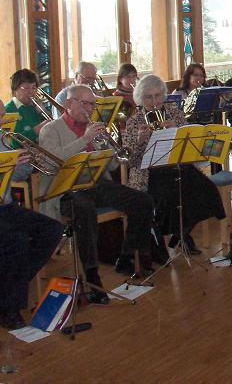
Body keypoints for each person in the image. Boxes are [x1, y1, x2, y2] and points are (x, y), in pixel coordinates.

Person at [39, 84, 154, 303]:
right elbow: (51, 162)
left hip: (96, 184)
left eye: (92, 105)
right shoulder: (51, 130)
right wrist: (84, 140)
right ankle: (92, 276)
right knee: (85, 210)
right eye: (85, 104)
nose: (89, 109)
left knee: (143, 200)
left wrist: (111, 148)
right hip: (65, 190)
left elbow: (113, 166)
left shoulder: (94, 128)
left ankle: (126, 256)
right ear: (68, 104)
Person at [124, 75, 226, 254]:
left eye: (158, 95)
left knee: (206, 190)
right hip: (149, 172)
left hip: (177, 166)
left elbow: (188, 142)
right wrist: (139, 141)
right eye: (148, 97)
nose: (154, 101)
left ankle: (181, 234)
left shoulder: (174, 113)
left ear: (163, 95)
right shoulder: (134, 121)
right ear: (140, 99)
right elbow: (130, 160)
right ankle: (176, 238)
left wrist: (176, 131)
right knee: (168, 197)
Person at [0, 99, 63, 330]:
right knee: (16, 240)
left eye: (2, 116)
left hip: (6, 206)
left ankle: (8, 288)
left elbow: (18, 177)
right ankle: (9, 307)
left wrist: (23, 163)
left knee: (52, 229)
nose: (2, 122)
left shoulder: (3, 138)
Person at [5, 69, 49, 146]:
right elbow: (10, 143)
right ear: (15, 89)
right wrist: (35, 131)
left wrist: (43, 112)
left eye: (34, 87)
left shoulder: (37, 107)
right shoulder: (7, 111)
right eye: (26, 88)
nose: (31, 92)